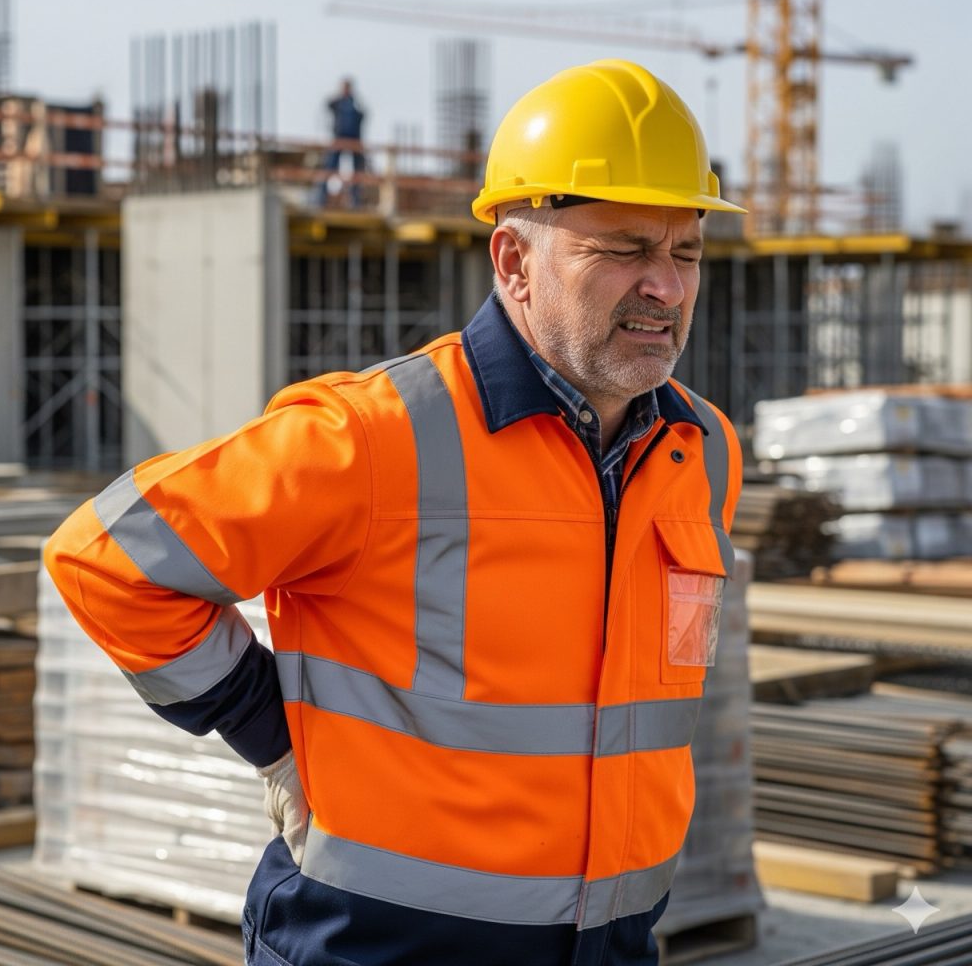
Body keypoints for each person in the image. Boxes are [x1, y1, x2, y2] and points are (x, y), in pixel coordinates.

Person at [45, 58, 746, 966]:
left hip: (612, 945)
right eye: (622, 250)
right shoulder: (377, 436)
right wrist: (277, 735)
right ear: (514, 261)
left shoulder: (705, 450)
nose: (667, 287)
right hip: (379, 947)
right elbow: (106, 556)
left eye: (685, 251)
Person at [318, 77, 366, 207]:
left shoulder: (355, 103)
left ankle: (355, 201)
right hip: (339, 139)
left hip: (353, 141)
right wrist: (339, 96)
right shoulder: (337, 103)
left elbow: (363, 115)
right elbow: (328, 104)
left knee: (356, 171)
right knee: (330, 168)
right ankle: (321, 199)